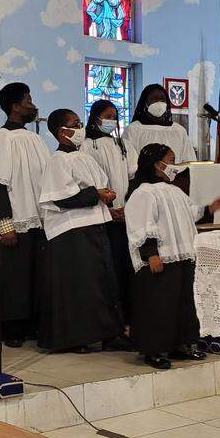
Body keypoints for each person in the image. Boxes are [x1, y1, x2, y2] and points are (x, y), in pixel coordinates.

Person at [125, 143, 220, 370]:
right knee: (158, 305)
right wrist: (151, 254)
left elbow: (191, 215)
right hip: (160, 257)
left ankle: (181, 344)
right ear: (157, 164)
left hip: (182, 255)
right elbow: (142, 226)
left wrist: (209, 209)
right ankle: (153, 350)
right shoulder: (143, 193)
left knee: (183, 303)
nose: (175, 165)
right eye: (171, 160)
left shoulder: (175, 191)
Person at [37, 109, 125, 353]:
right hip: (71, 232)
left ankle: (110, 334)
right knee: (81, 287)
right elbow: (61, 198)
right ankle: (76, 338)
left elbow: (97, 189)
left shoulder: (83, 158)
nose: (81, 128)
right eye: (76, 124)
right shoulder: (57, 161)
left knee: (102, 283)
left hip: (93, 226)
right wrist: (96, 194)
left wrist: (108, 205)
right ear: (63, 132)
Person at [0, 83, 50, 348]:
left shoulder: (35, 139)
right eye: (28, 101)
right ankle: (11, 328)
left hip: (36, 219)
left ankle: (31, 325)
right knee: (14, 278)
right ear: (15, 106)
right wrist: (5, 224)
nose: (33, 105)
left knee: (34, 276)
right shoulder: (0, 139)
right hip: (14, 221)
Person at [81, 99, 137, 323]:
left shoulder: (123, 145)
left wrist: (128, 206)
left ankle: (127, 314)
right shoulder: (86, 146)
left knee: (125, 265)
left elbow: (133, 177)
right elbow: (86, 183)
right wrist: (108, 209)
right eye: (107, 116)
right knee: (107, 267)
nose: (112, 121)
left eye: (115, 117)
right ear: (95, 118)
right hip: (101, 214)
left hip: (125, 212)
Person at [123, 83, 198, 164]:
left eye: (162, 100)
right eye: (154, 99)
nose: (159, 103)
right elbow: (127, 161)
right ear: (145, 103)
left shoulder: (179, 130)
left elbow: (189, 160)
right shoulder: (133, 129)